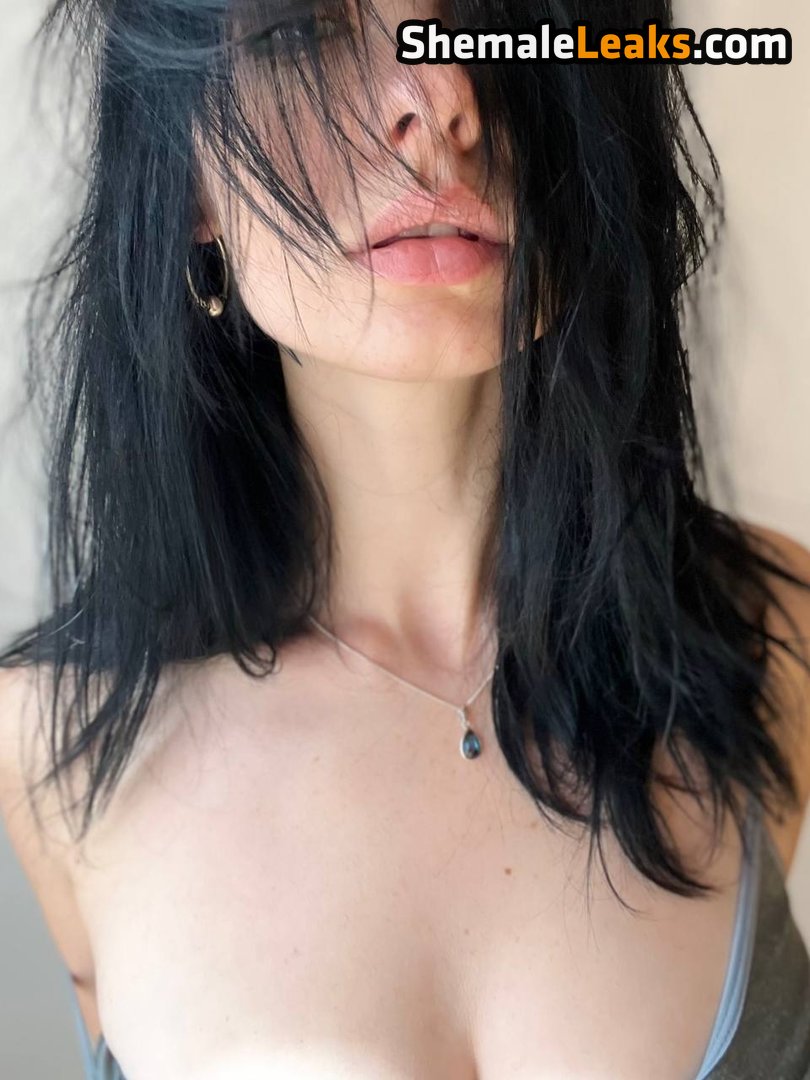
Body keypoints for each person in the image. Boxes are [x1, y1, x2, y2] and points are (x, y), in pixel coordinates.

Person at [1, 1, 809, 1077]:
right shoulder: (41, 752)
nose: (437, 96)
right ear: (188, 176)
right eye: (301, 30)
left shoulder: (773, 636)